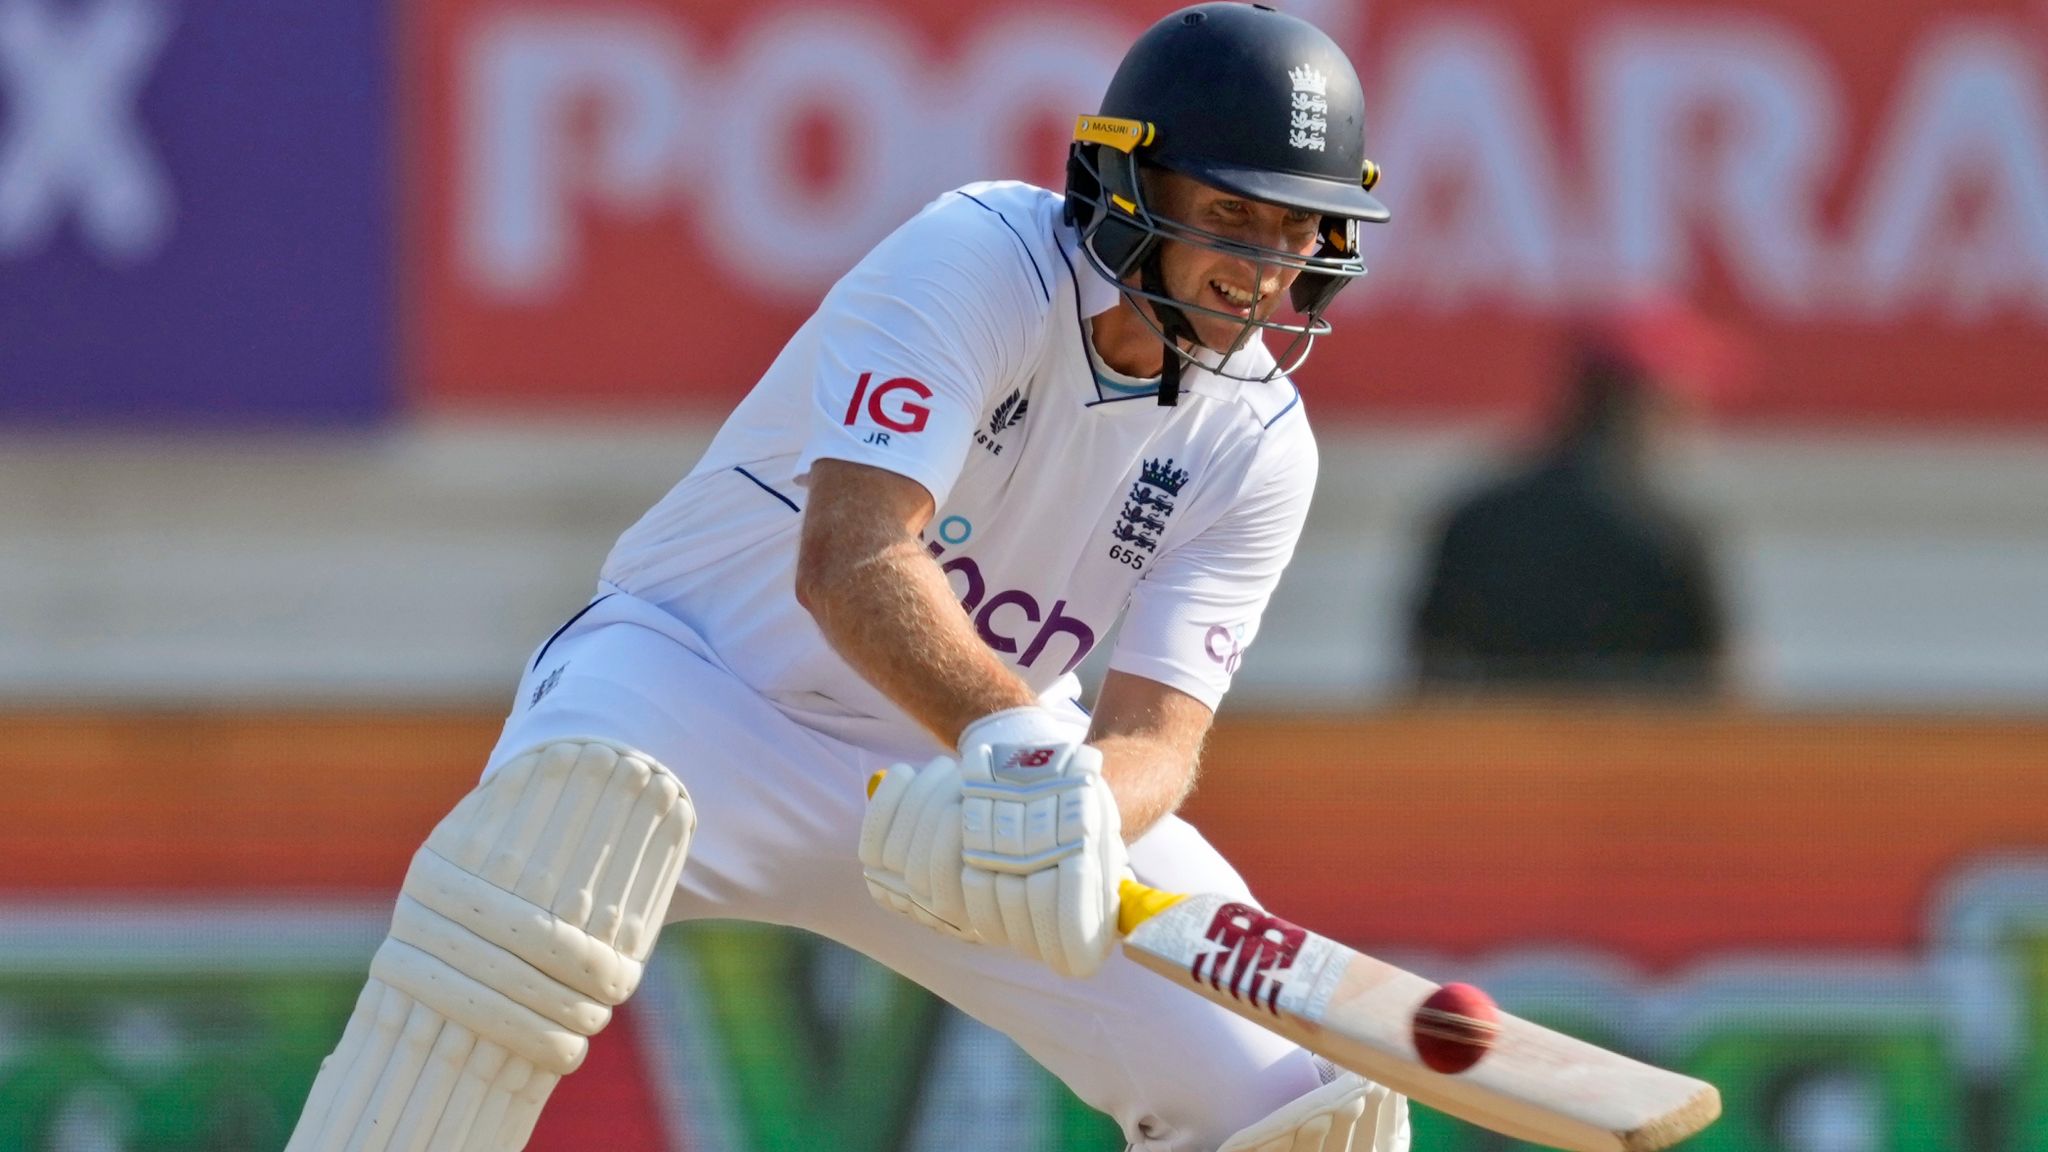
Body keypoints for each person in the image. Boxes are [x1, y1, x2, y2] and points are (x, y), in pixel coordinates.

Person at [287, 5, 1409, 1150]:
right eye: (1228, 215)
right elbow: (851, 558)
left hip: (961, 782)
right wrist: (1020, 755)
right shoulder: (977, 256)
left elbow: (1158, 740)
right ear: (1127, 186)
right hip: (700, 686)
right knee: (536, 877)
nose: (1258, 271)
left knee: (1299, 1108)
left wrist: (1070, 812)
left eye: (1294, 230)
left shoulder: (1261, 440)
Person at [1408, 302, 1744, 695]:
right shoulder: (1666, 535)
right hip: (1635, 754)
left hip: (1499, 752)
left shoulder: (1475, 520)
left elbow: (1424, 680)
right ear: (1636, 401)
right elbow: (1722, 696)